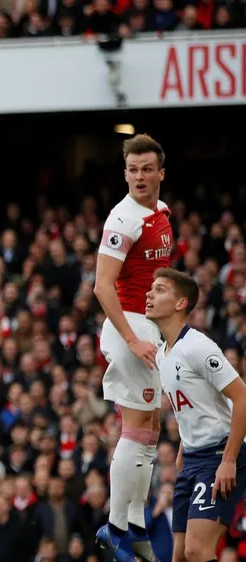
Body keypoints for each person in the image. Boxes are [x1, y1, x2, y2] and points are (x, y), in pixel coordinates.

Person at [94, 134, 173, 562]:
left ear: (160, 173)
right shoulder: (123, 220)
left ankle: (137, 524)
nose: (139, 177)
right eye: (132, 169)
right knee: (135, 429)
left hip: (149, 329)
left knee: (148, 431)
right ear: (125, 173)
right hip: (131, 328)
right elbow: (102, 286)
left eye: (146, 169)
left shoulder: (160, 212)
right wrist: (132, 339)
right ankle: (116, 529)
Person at [145, 267, 246, 562]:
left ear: (181, 304)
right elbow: (191, 405)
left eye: (160, 289)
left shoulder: (199, 346)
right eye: (151, 288)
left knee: (197, 551)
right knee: (179, 555)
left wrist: (228, 460)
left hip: (220, 455)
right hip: (192, 459)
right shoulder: (163, 353)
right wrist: (183, 446)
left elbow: (241, 397)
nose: (150, 293)